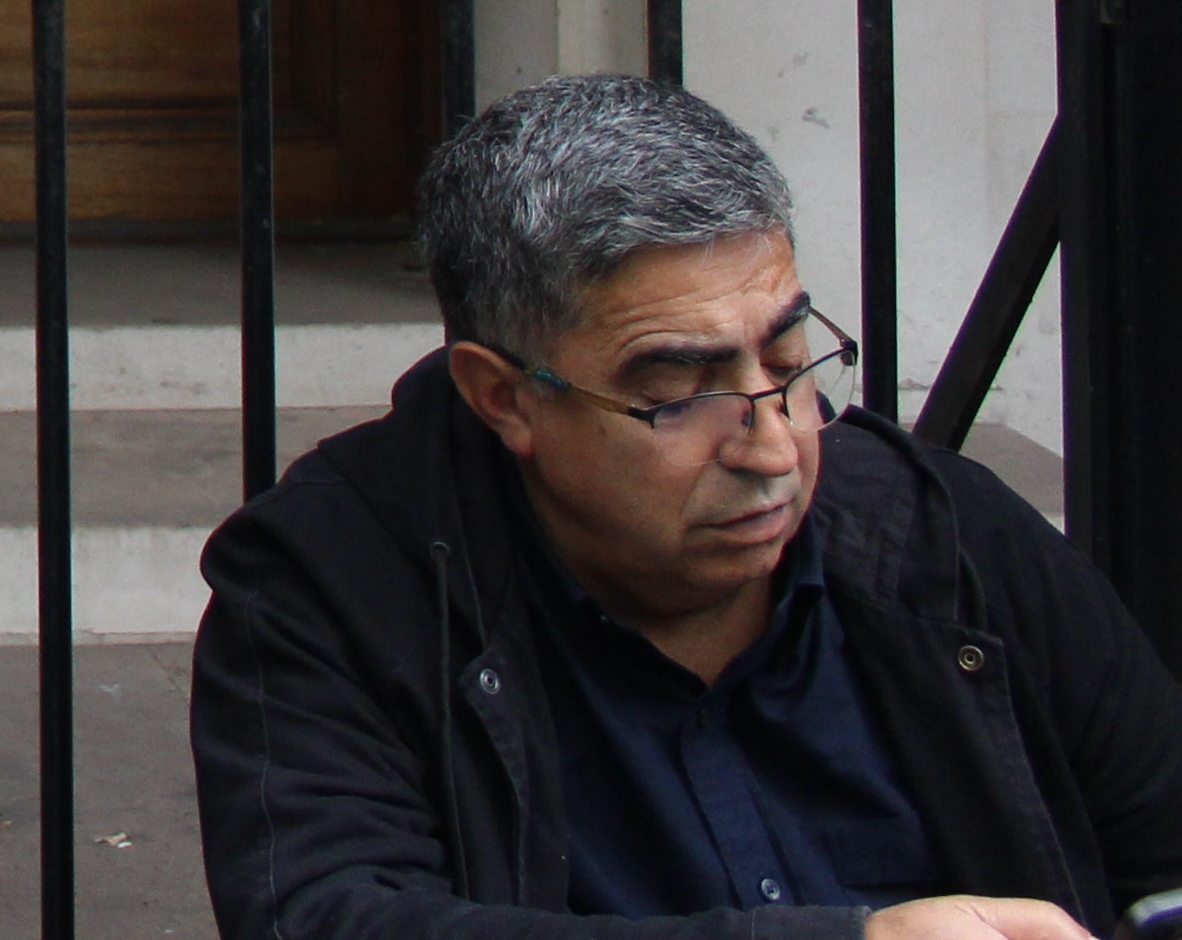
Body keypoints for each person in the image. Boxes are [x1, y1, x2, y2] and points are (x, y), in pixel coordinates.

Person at [193, 75, 1182, 940]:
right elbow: (327, 918)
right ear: (505, 398)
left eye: (789, 359)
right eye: (679, 391)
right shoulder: (333, 582)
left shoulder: (940, 537)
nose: (773, 446)